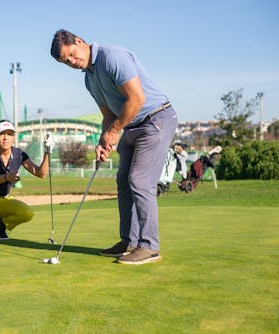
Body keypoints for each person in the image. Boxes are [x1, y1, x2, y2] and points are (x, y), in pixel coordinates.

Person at [51, 29, 178, 265]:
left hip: (155, 119)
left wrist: (114, 131)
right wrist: (103, 139)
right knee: (123, 181)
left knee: (140, 181)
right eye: (65, 62)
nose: (71, 62)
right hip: (131, 125)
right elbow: (108, 113)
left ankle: (149, 246)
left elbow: (136, 99)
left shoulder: (112, 57)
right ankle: (129, 242)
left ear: (79, 41)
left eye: (71, 54)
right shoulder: (89, 79)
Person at [0, 120, 54, 245]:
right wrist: (7, 177)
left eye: (10, 134)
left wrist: (48, 151)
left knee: (27, 214)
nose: (5, 137)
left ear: (14, 137)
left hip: (2, 201)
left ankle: (0, 224)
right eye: (2, 134)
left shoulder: (19, 154)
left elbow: (41, 173)